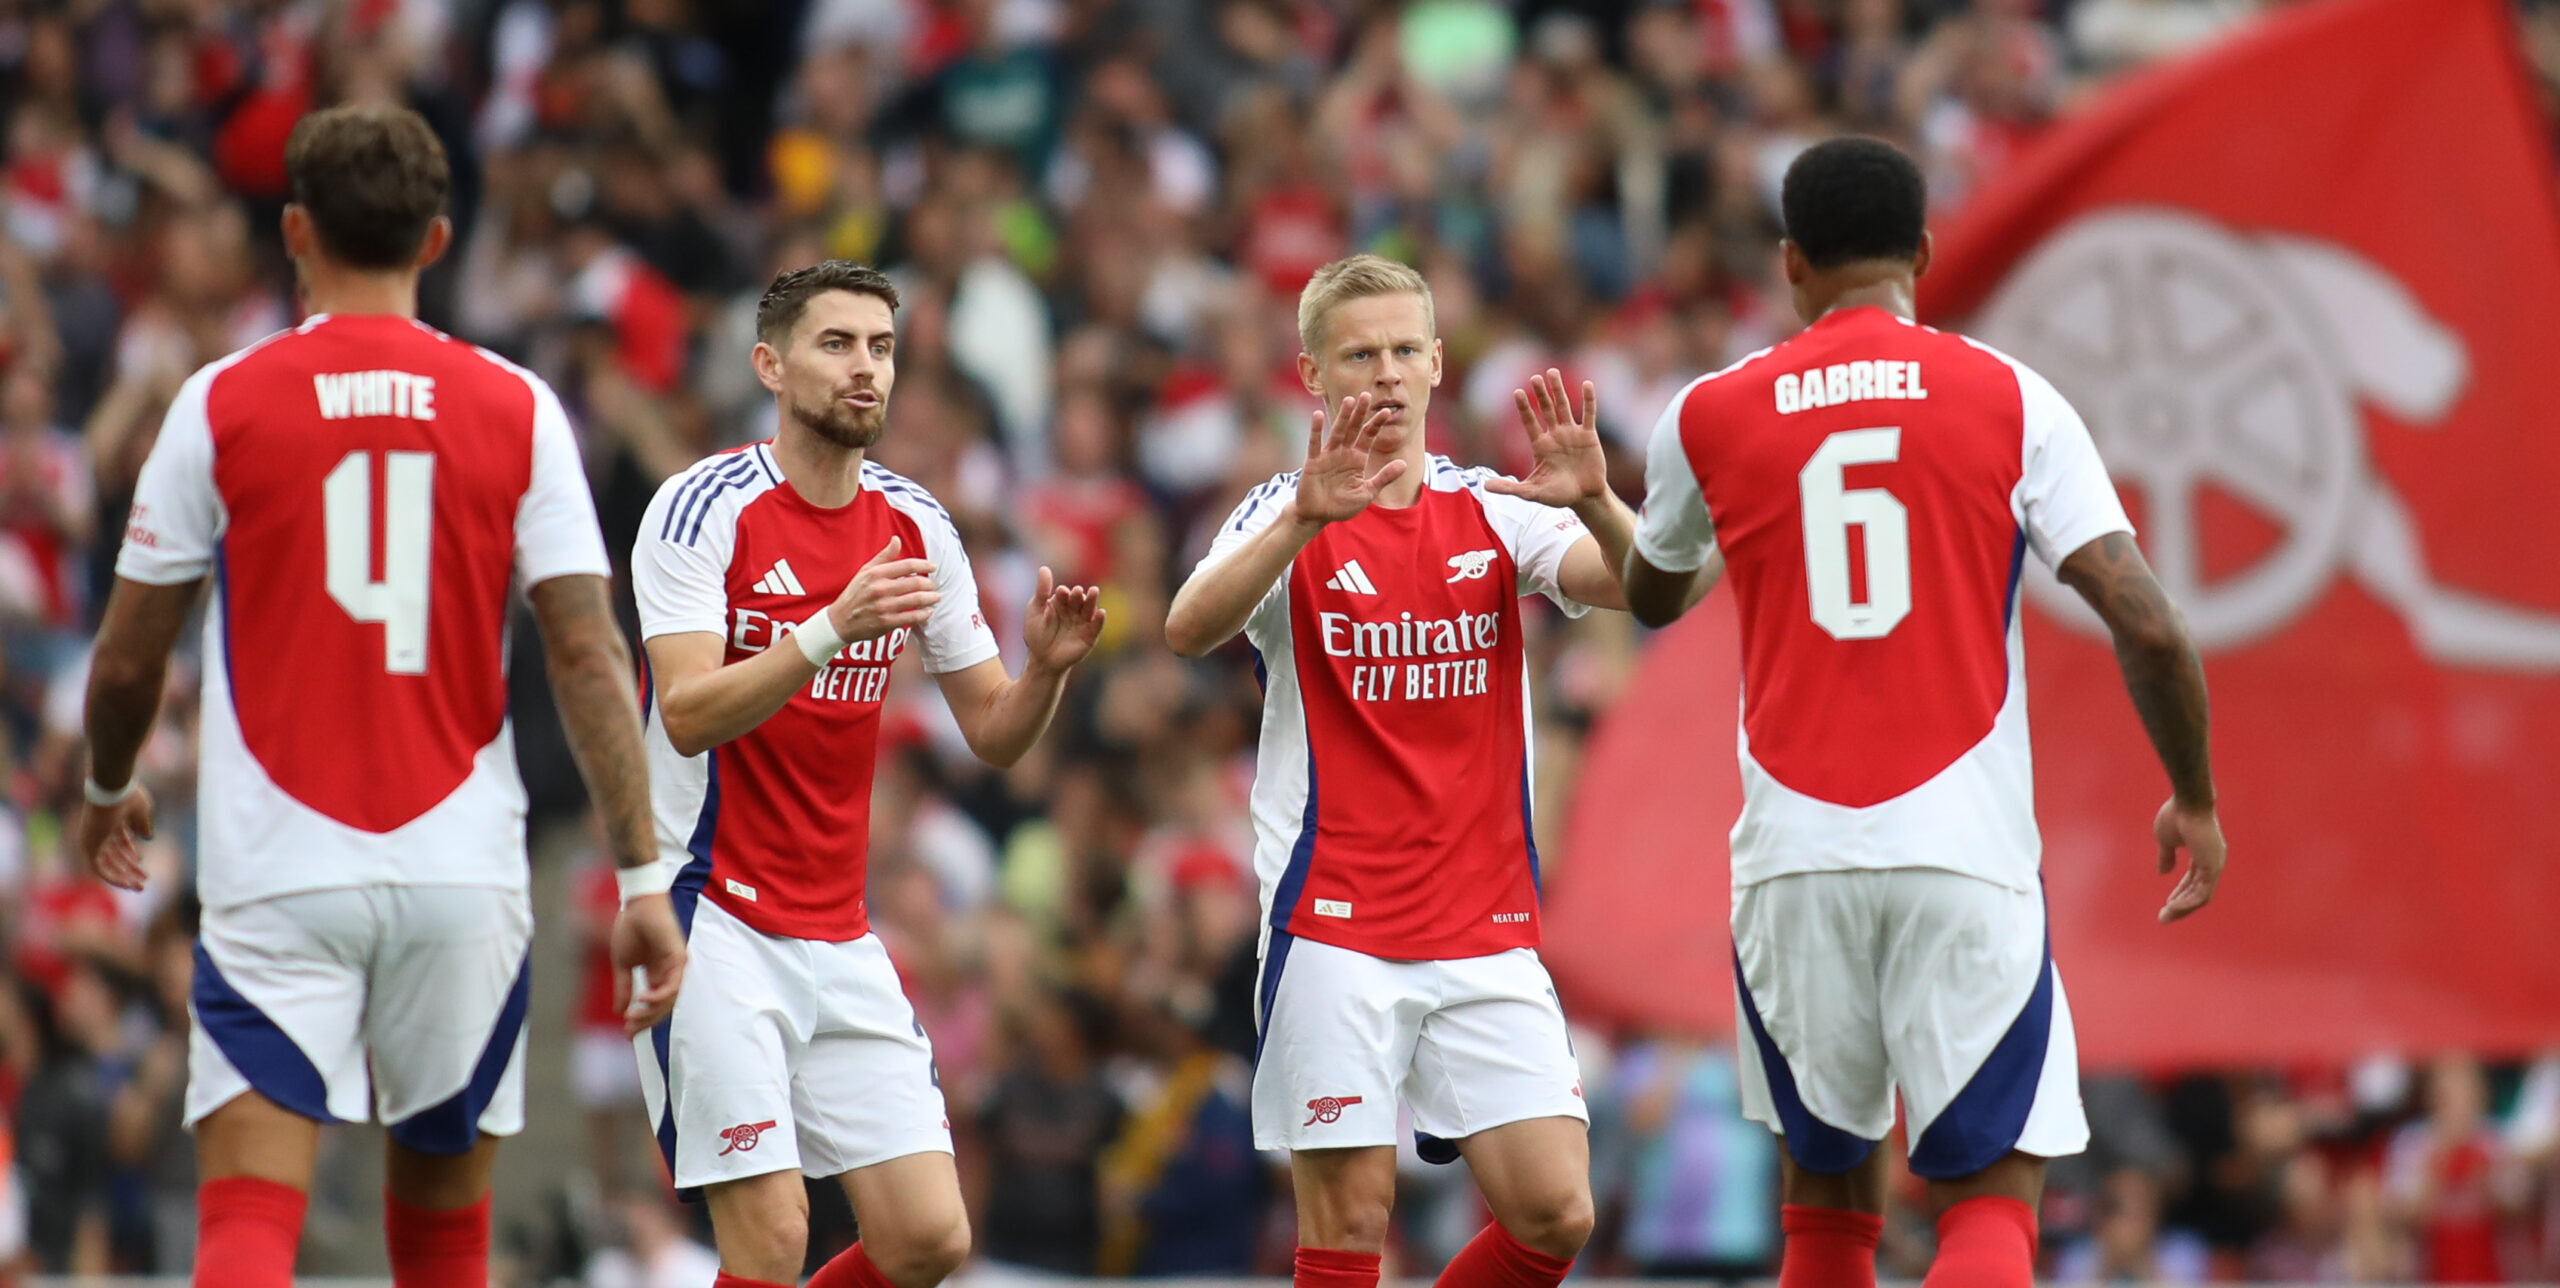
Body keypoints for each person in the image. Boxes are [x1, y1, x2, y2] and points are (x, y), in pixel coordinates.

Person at [74, 104, 687, 1288]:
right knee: (446, 1245)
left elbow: (127, 657)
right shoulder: (518, 409)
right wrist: (643, 874)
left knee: (249, 1228)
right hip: (460, 865)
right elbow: (589, 658)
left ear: (294, 230)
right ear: (440, 239)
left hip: (280, 863)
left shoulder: (221, 402)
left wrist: (108, 784)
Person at [1617, 136, 2227, 1288]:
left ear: (1790, 263)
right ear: (1925, 252)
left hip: (1791, 859)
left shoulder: (1706, 415)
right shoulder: (2009, 398)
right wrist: (2193, 794)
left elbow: (1652, 592)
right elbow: (2146, 622)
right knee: (1991, 1204)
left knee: (1826, 1208)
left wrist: (1613, 511)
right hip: (1960, 849)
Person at [1164, 253, 1638, 1288]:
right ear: (1311, 374)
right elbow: (1185, 624)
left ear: (1435, 364)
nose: (1383, 374)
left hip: (1482, 923)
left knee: (1555, 1211)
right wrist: (1301, 518)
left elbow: (1651, 589)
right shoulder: (1276, 514)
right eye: (1358, 354)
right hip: (1335, 919)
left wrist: (1601, 502)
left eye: (1401, 351)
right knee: (1348, 1224)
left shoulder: (1491, 510)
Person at [629, 258, 1105, 1288]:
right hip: (706, 911)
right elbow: (684, 711)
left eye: (882, 349)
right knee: (770, 1235)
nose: (866, 370)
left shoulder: (916, 524)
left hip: (837, 925)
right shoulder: (699, 506)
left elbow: (994, 731)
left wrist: (1048, 674)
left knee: (929, 1237)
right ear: (770, 363)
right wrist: (828, 627)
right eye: (837, 344)